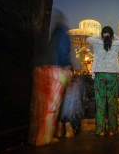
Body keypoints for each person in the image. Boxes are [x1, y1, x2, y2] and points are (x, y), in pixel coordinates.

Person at [28, 8, 72, 146]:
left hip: (43, 69)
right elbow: (63, 52)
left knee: (40, 106)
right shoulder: (64, 34)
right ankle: (45, 138)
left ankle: (35, 137)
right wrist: (67, 67)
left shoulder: (51, 35)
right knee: (51, 107)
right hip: (56, 71)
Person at [86, 26, 119, 136]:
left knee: (100, 102)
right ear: (112, 35)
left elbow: (88, 39)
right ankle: (113, 129)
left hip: (100, 75)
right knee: (112, 102)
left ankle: (100, 130)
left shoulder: (96, 43)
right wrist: (113, 36)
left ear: (102, 34)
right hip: (112, 75)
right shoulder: (116, 43)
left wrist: (101, 36)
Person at [54, 50, 86, 138]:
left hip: (61, 89)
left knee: (64, 101)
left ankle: (60, 126)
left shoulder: (59, 64)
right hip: (71, 92)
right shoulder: (74, 65)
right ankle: (68, 125)